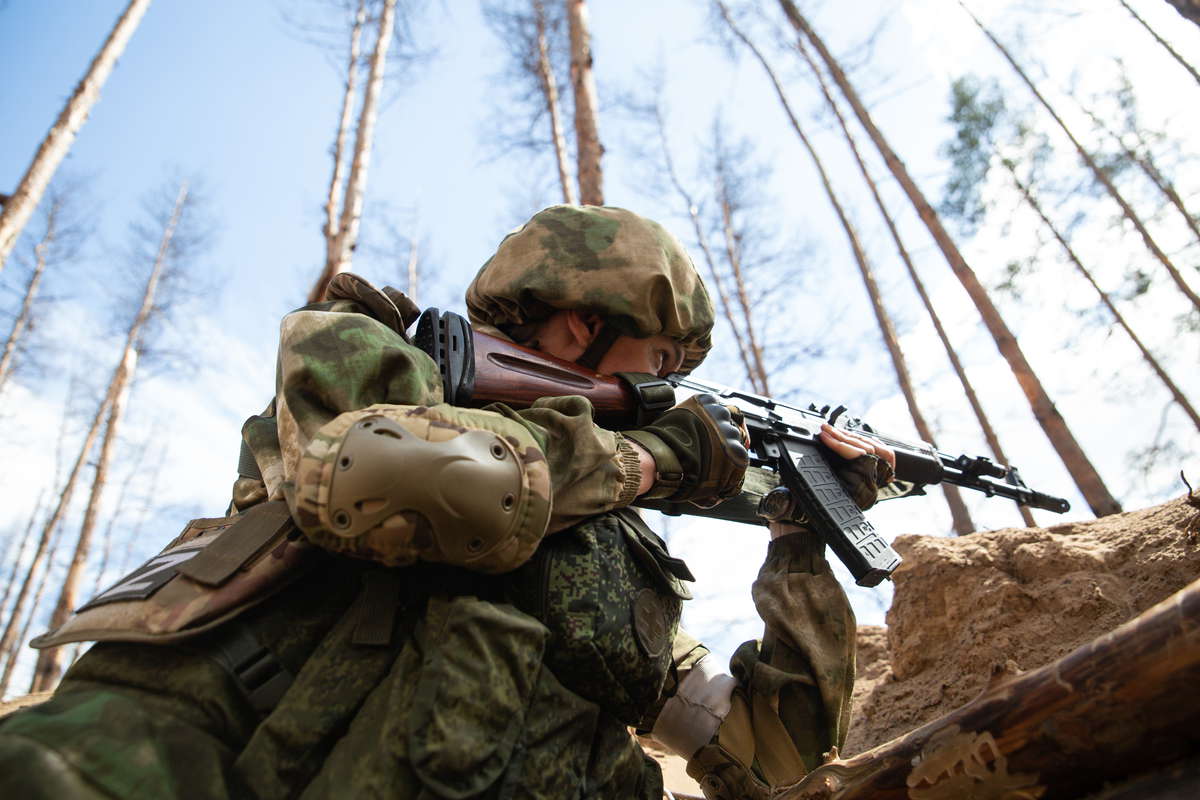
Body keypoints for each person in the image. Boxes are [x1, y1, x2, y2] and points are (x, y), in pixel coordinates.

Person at [0, 205, 894, 799]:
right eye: (662, 365)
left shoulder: (618, 565)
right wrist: (655, 459)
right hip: (159, 761)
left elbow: (776, 761)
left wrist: (801, 535)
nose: (673, 398)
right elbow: (378, 481)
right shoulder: (371, 357)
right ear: (587, 322)